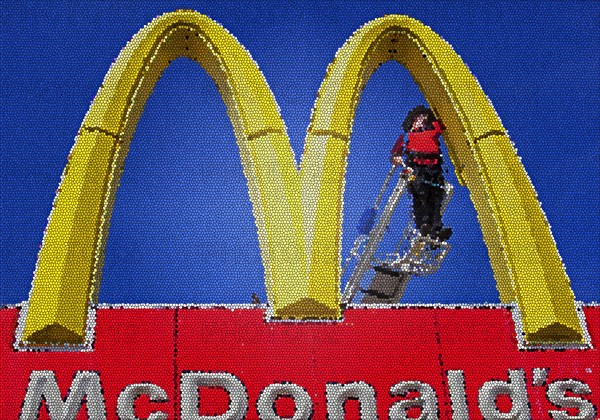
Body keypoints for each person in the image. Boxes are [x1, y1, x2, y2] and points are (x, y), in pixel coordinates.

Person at [390, 105, 452, 242]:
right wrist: (396, 158)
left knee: (435, 200)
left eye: (424, 116)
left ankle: (437, 229)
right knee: (421, 197)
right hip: (417, 168)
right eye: (419, 117)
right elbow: (395, 153)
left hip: (434, 169)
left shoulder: (433, 129)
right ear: (413, 120)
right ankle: (424, 225)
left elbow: (446, 121)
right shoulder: (406, 136)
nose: (422, 119)